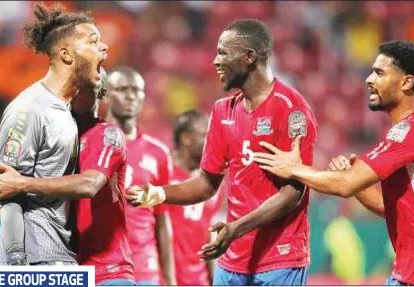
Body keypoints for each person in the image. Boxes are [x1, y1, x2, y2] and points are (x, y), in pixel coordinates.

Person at [126, 19, 318, 285]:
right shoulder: (222, 111)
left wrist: (235, 229)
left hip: (280, 260)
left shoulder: (291, 109)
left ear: (249, 57)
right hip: (232, 261)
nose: (216, 61)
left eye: (223, 52)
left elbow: (294, 193)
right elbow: (206, 184)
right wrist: (159, 193)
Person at [252, 40, 414, 286]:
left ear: (406, 82)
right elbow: (391, 207)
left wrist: (293, 168)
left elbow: (344, 184)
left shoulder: (412, 131)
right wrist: (358, 184)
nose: (369, 80)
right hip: (408, 276)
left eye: (379, 73)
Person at [0, 69, 136, 286]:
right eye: (73, 85)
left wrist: (22, 184)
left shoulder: (107, 134)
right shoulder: (53, 138)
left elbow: (90, 184)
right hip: (66, 268)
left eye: (86, 87)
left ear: (102, 92)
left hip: (108, 270)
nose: (77, 92)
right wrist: (1, 191)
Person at [0, 2, 107, 266]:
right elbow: (7, 191)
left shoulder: (64, 110)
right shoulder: (29, 108)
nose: (104, 47)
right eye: (93, 41)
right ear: (66, 54)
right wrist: (18, 263)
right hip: (34, 263)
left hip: (60, 257)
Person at [105, 66, 176, 286]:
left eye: (136, 90)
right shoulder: (89, 143)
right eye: (122, 89)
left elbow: (162, 221)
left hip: (146, 270)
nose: (130, 96)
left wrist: (171, 281)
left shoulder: (159, 153)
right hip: (104, 268)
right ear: (105, 94)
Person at [168, 109, 224, 285]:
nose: (213, 140)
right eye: (206, 134)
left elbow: (209, 235)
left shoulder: (213, 183)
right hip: (164, 279)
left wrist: (214, 279)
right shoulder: (162, 174)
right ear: (186, 138)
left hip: (198, 281)